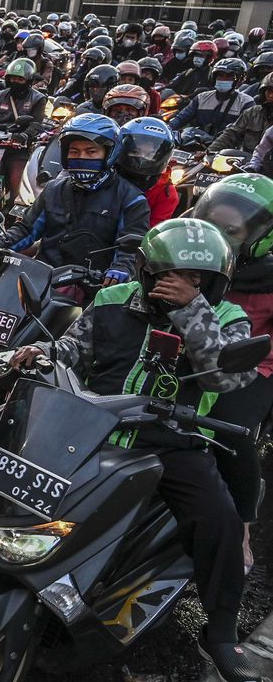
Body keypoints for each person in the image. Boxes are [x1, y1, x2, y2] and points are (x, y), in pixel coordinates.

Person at [9, 219, 262, 682]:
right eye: (171, 274)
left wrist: (191, 311)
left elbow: (223, 378)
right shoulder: (110, 301)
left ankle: (222, 633)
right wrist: (45, 356)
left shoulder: (227, 318)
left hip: (172, 443)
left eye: (197, 279)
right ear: (146, 270)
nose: (181, 284)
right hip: (92, 428)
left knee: (219, 520)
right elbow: (73, 349)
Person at [192, 175, 273, 575]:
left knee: (229, 431)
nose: (217, 235)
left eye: (232, 230)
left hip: (251, 362)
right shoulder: (190, 250)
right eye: (211, 221)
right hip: (190, 351)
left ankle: (241, 527)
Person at [0, 114, 150, 284]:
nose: (82, 157)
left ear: (109, 154)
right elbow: (27, 229)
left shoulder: (131, 199)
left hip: (94, 289)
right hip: (41, 282)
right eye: (74, 151)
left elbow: (129, 247)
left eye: (91, 151)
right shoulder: (53, 189)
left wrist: (120, 268)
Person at [0, 58, 48, 202]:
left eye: (19, 79)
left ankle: (14, 214)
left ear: (28, 81)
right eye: (12, 78)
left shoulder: (38, 98)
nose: (15, 82)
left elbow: (36, 123)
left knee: (17, 183)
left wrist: (24, 135)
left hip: (18, 149)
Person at [116, 117, 180, 227]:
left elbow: (152, 230)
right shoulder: (107, 176)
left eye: (150, 154)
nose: (142, 159)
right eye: (136, 152)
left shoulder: (167, 193)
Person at [170, 58, 255, 136]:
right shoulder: (201, 98)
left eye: (229, 76)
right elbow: (181, 118)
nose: (223, 79)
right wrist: (168, 129)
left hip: (226, 148)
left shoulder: (246, 102)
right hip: (197, 143)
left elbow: (243, 133)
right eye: (220, 75)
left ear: (239, 79)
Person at [207, 72, 273, 155]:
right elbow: (231, 134)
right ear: (263, 92)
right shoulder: (252, 113)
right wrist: (209, 152)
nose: (271, 95)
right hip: (245, 162)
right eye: (269, 91)